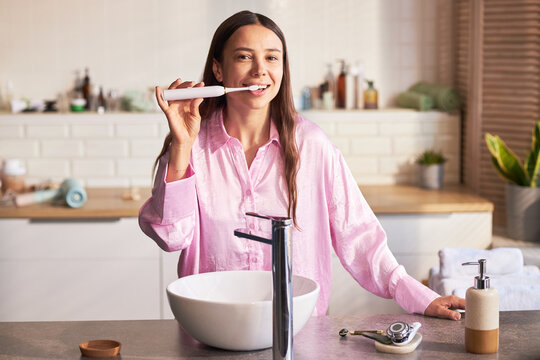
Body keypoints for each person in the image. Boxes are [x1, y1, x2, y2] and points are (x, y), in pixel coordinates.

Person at [139, 10, 464, 319]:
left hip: (296, 329)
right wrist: (182, 143)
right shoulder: (192, 145)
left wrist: (419, 296)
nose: (259, 70)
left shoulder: (312, 145)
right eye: (243, 56)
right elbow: (171, 237)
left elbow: (359, 236)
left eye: (271, 57)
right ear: (219, 70)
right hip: (211, 328)